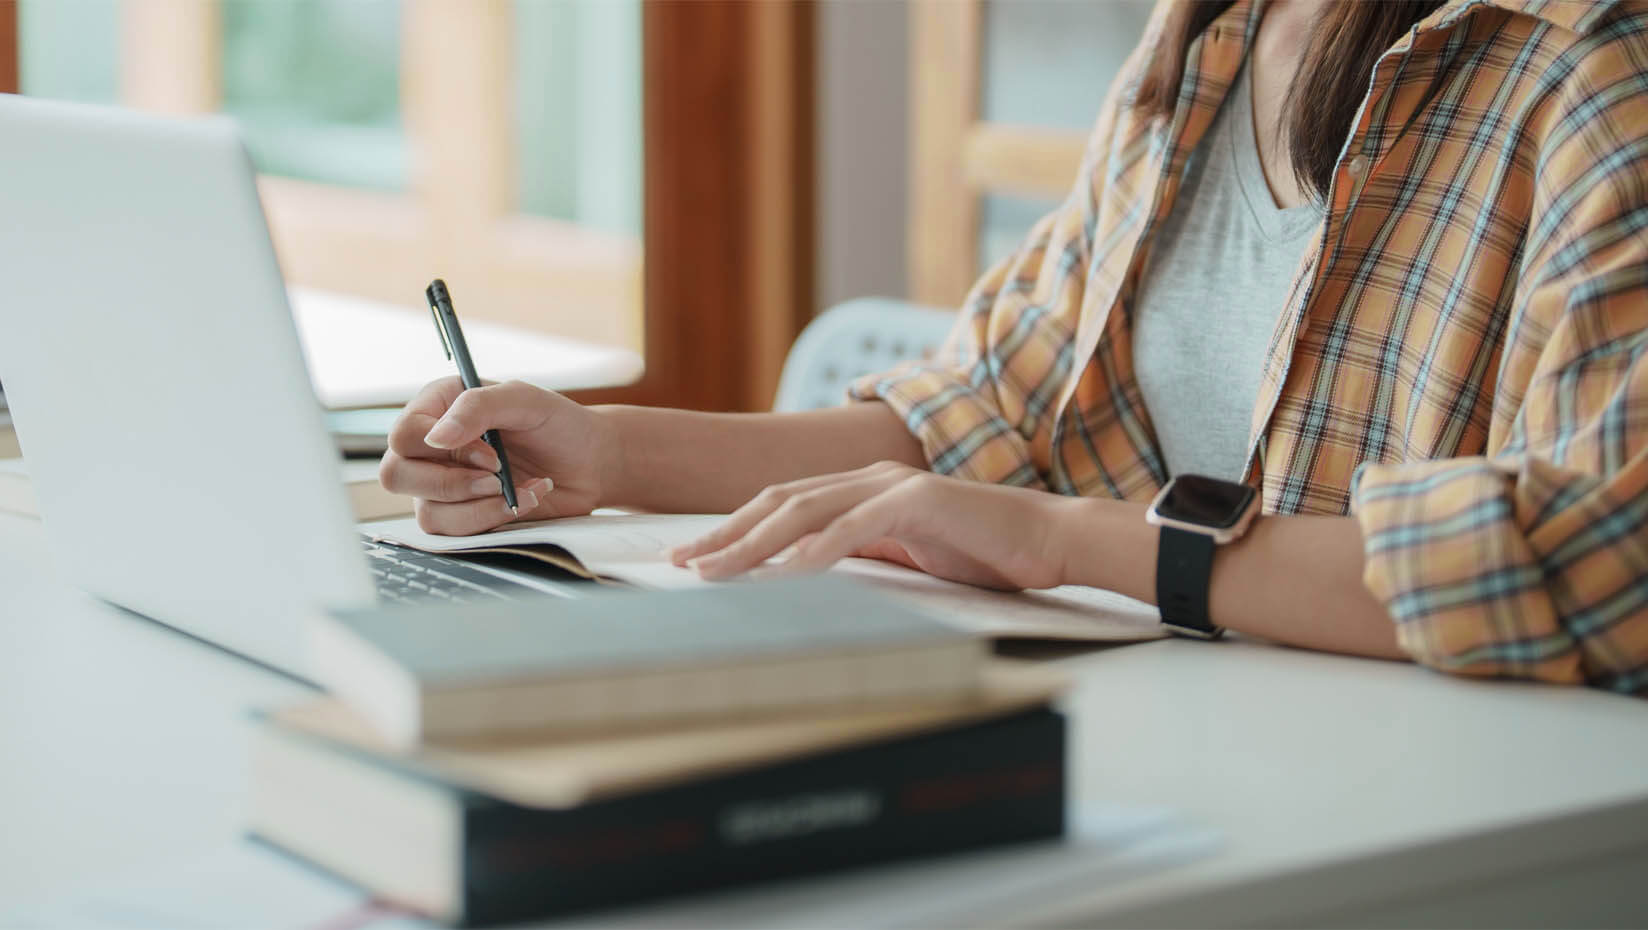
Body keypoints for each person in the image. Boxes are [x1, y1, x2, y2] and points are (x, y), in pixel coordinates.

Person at [380, 0, 1648, 695]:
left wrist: (1060, 539)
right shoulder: (1205, 40)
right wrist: (598, 453)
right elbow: (992, 402)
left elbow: (1602, 556)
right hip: (1222, 736)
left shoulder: (1594, 60)